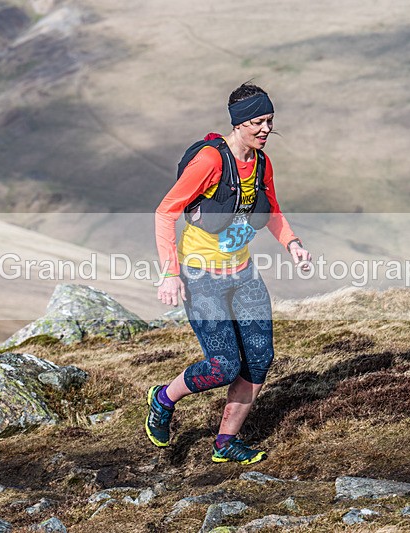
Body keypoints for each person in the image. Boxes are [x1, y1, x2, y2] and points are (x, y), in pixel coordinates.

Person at [147, 82, 311, 464]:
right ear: (239, 123)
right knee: (223, 366)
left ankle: (225, 443)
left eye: (269, 121)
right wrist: (170, 273)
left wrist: (292, 244)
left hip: (244, 274)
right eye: (258, 122)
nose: (266, 129)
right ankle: (163, 398)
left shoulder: (262, 163)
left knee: (259, 359)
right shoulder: (210, 161)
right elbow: (165, 212)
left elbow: (272, 210)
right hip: (201, 276)